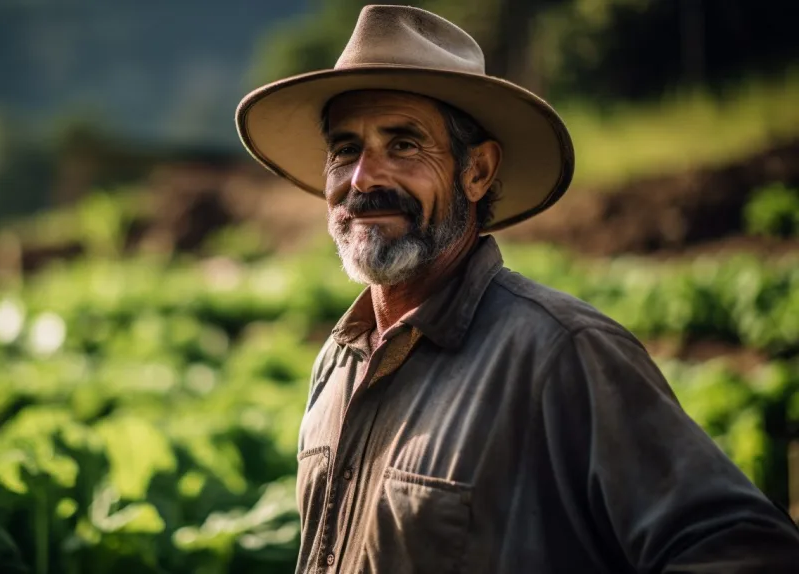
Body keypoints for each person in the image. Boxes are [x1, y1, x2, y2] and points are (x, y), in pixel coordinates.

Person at [234, 5, 799, 573]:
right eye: (345, 150)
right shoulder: (338, 361)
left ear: (476, 172)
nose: (363, 177)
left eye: (403, 145)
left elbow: (745, 550)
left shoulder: (561, 352)